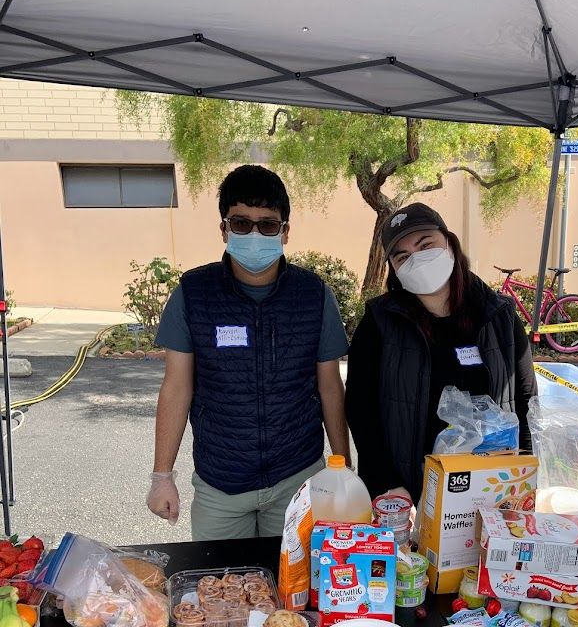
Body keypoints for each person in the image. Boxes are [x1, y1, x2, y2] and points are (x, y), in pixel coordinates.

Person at [147, 164, 351, 539]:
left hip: (298, 478)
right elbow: (176, 388)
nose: (254, 234)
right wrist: (162, 476)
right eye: (241, 223)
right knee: (218, 591)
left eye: (268, 224)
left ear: (285, 232)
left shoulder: (314, 295)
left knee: (296, 592)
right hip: (220, 483)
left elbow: (329, 387)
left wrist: (344, 468)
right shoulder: (193, 293)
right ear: (224, 229)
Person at [345, 202, 537, 505]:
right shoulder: (380, 321)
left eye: (425, 245)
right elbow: (360, 407)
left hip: (491, 488)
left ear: (449, 243)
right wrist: (387, 483)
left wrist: (525, 476)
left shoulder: (498, 315)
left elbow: (525, 399)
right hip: (406, 490)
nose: (417, 260)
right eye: (402, 256)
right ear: (394, 269)